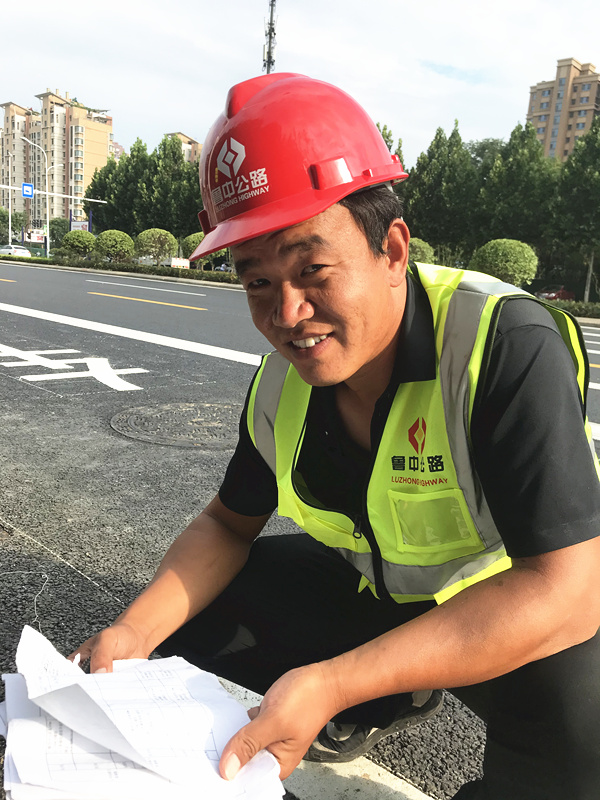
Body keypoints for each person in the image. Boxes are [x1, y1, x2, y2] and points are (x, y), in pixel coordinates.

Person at [73, 74, 600, 799]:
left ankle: (373, 688)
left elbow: (564, 588)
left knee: (586, 736)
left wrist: (333, 681)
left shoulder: (501, 345)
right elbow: (227, 524)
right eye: (257, 282)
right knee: (188, 621)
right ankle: (387, 694)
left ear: (393, 249)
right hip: (375, 590)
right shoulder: (282, 383)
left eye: (312, 268)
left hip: (503, 605)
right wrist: (134, 633)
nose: (287, 313)